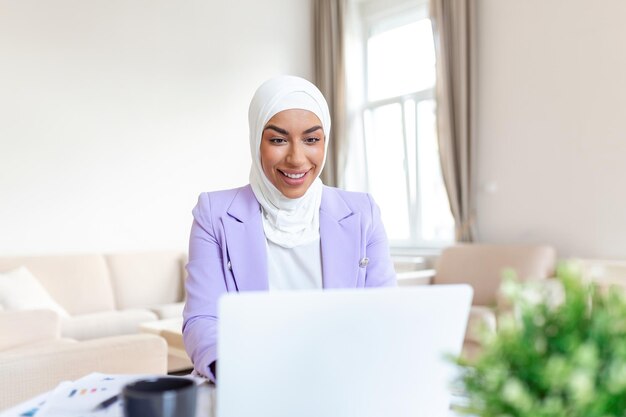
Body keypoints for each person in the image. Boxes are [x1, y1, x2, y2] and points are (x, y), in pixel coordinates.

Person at [182, 75, 396, 381]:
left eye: (311, 140)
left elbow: (385, 314)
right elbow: (202, 319)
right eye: (278, 140)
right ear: (257, 139)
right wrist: (240, 373)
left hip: (339, 380)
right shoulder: (214, 213)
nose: (297, 158)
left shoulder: (362, 214)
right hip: (249, 379)